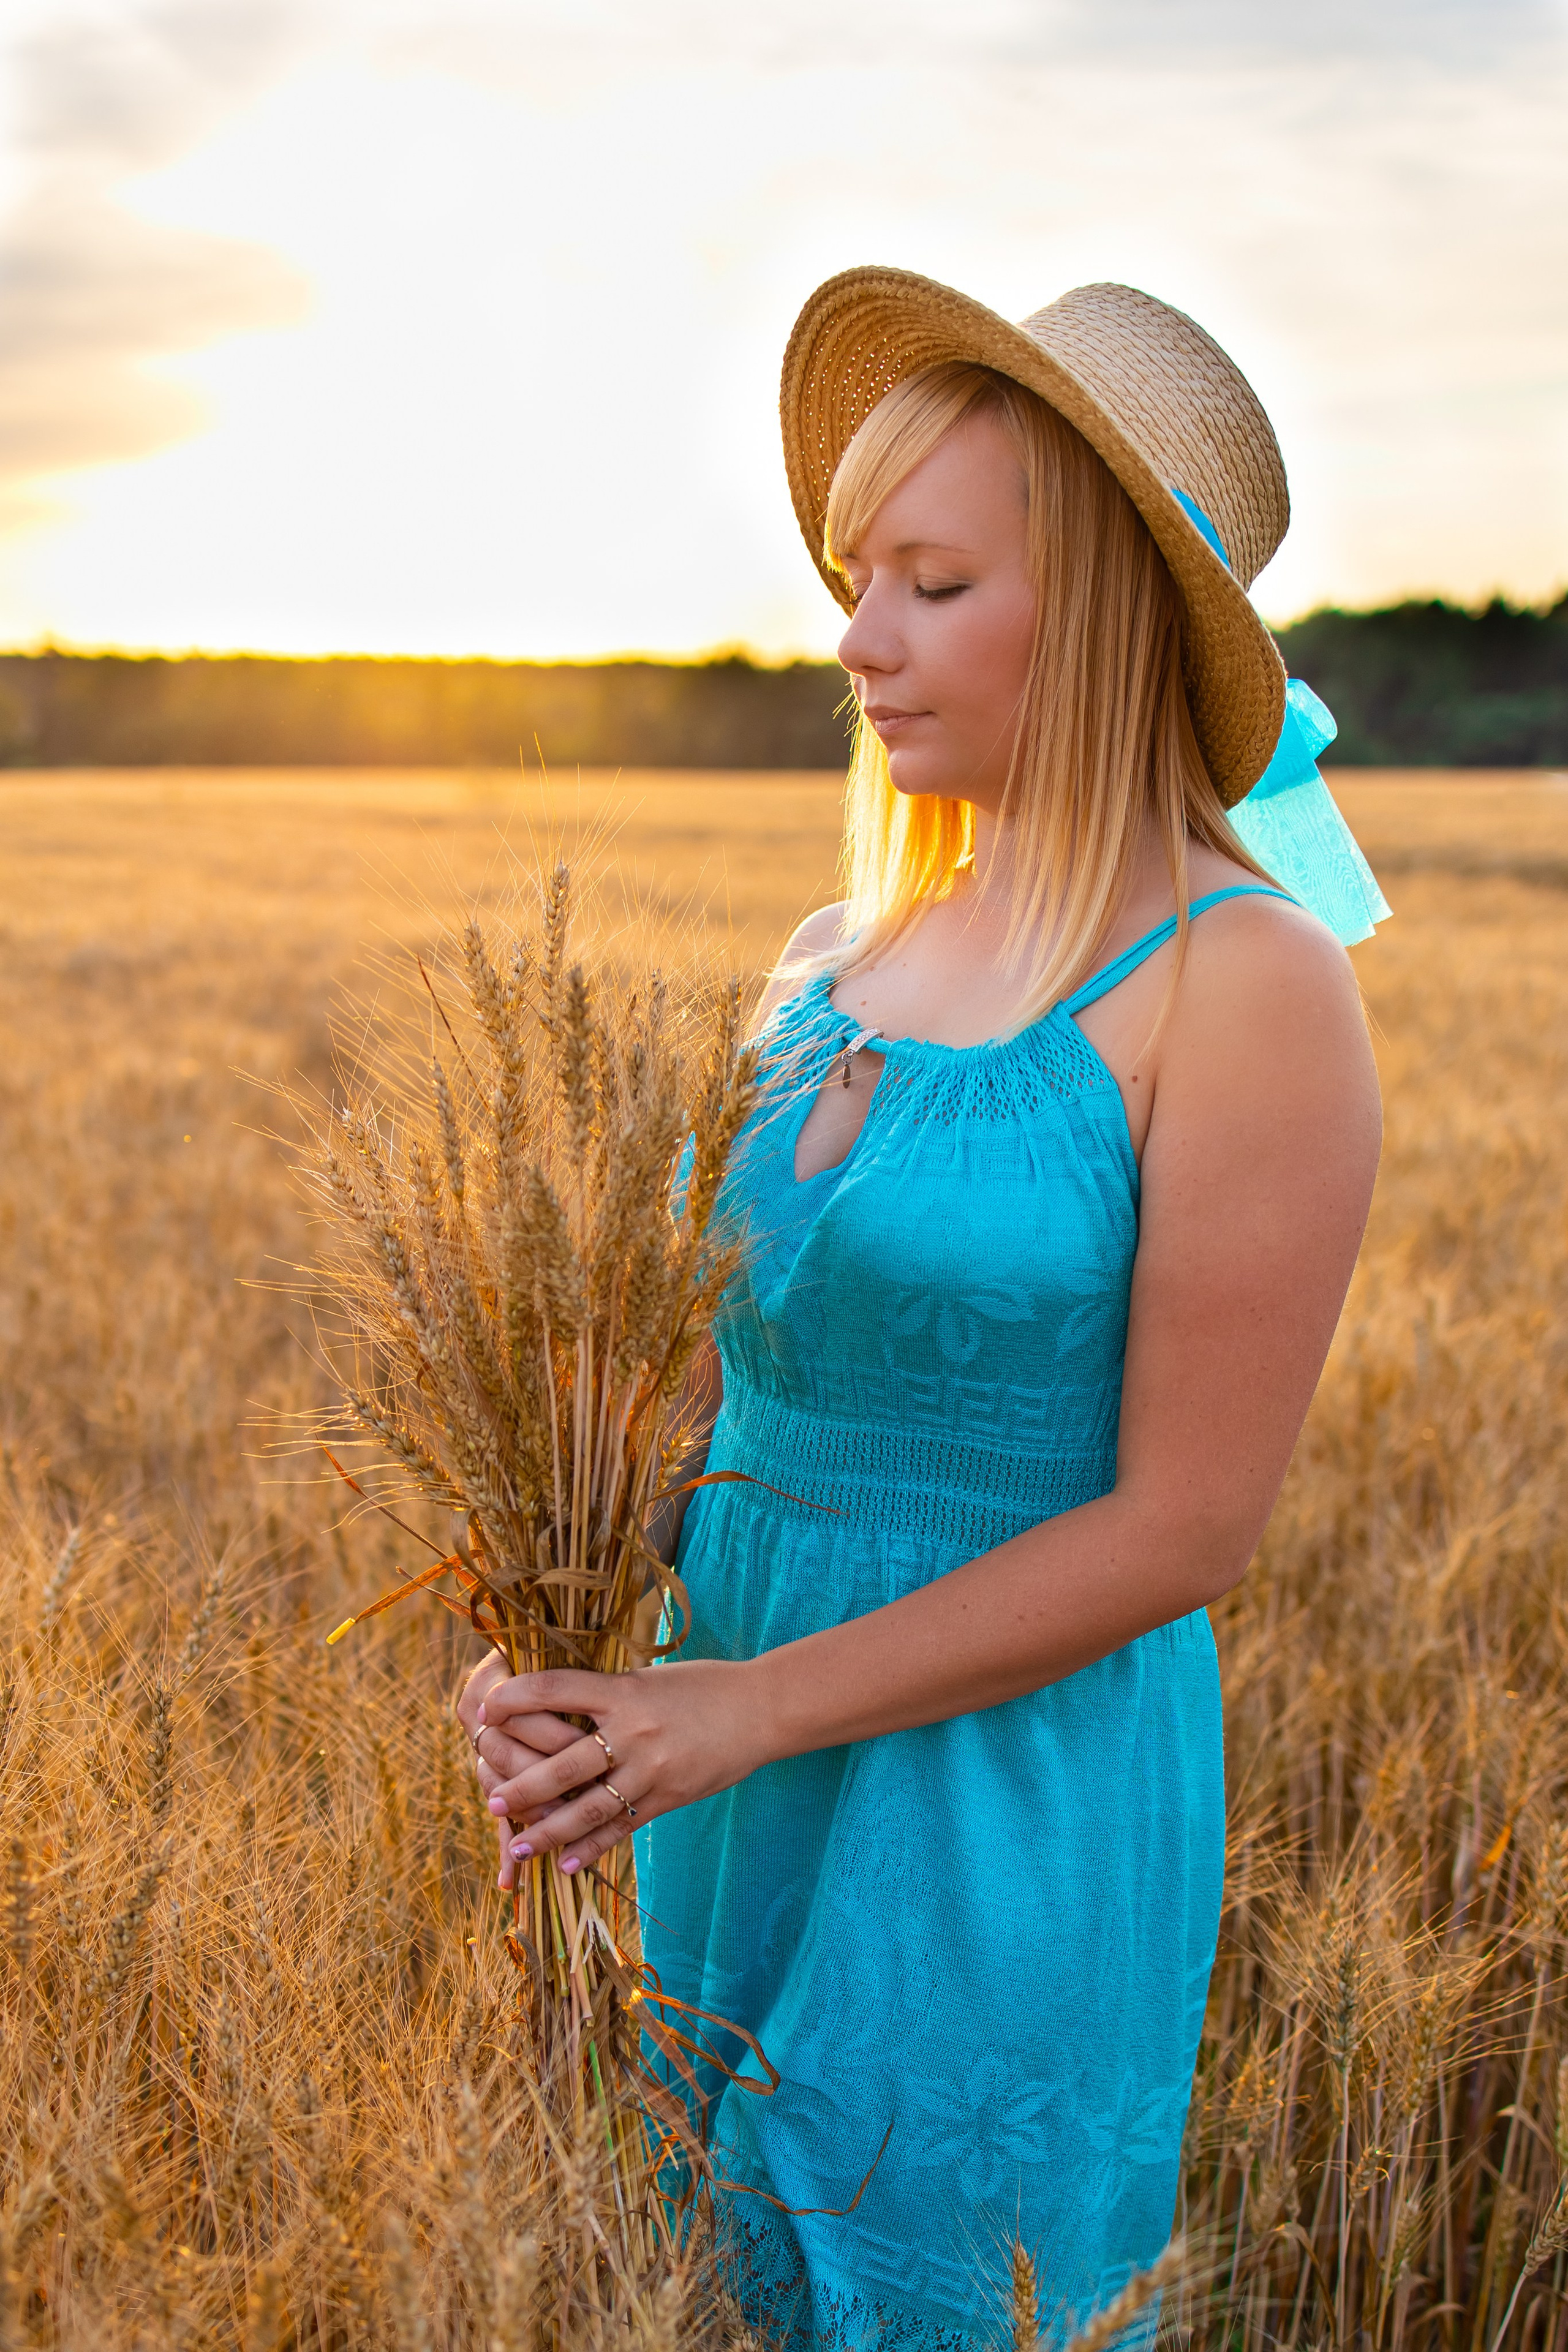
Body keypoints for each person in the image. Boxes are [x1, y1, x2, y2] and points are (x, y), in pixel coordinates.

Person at [457, 269, 1385, 2345]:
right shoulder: (822, 960)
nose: (857, 638)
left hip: (997, 1799)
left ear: (1118, 612)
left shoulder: (1245, 983)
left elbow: (1189, 1527)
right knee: (710, 2276)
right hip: (719, 1764)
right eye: (857, 576)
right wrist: (547, 1629)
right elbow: (696, 1391)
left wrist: (741, 1711)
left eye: (934, 580)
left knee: (939, 2291)